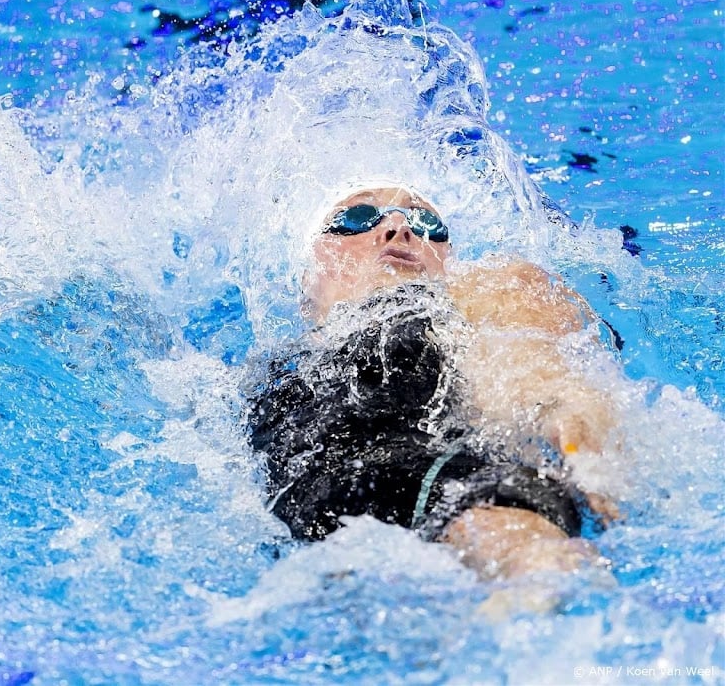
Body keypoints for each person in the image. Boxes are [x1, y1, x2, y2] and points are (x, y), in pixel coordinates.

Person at [248, 183, 622, 582]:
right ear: (307, 280)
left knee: (528, 556)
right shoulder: (265, 378)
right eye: (355, 219)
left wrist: (570, 426)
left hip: (459, 478)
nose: (397, 226)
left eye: (426, 221)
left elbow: (538, 373)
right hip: (316, 490)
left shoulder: (477, 294)